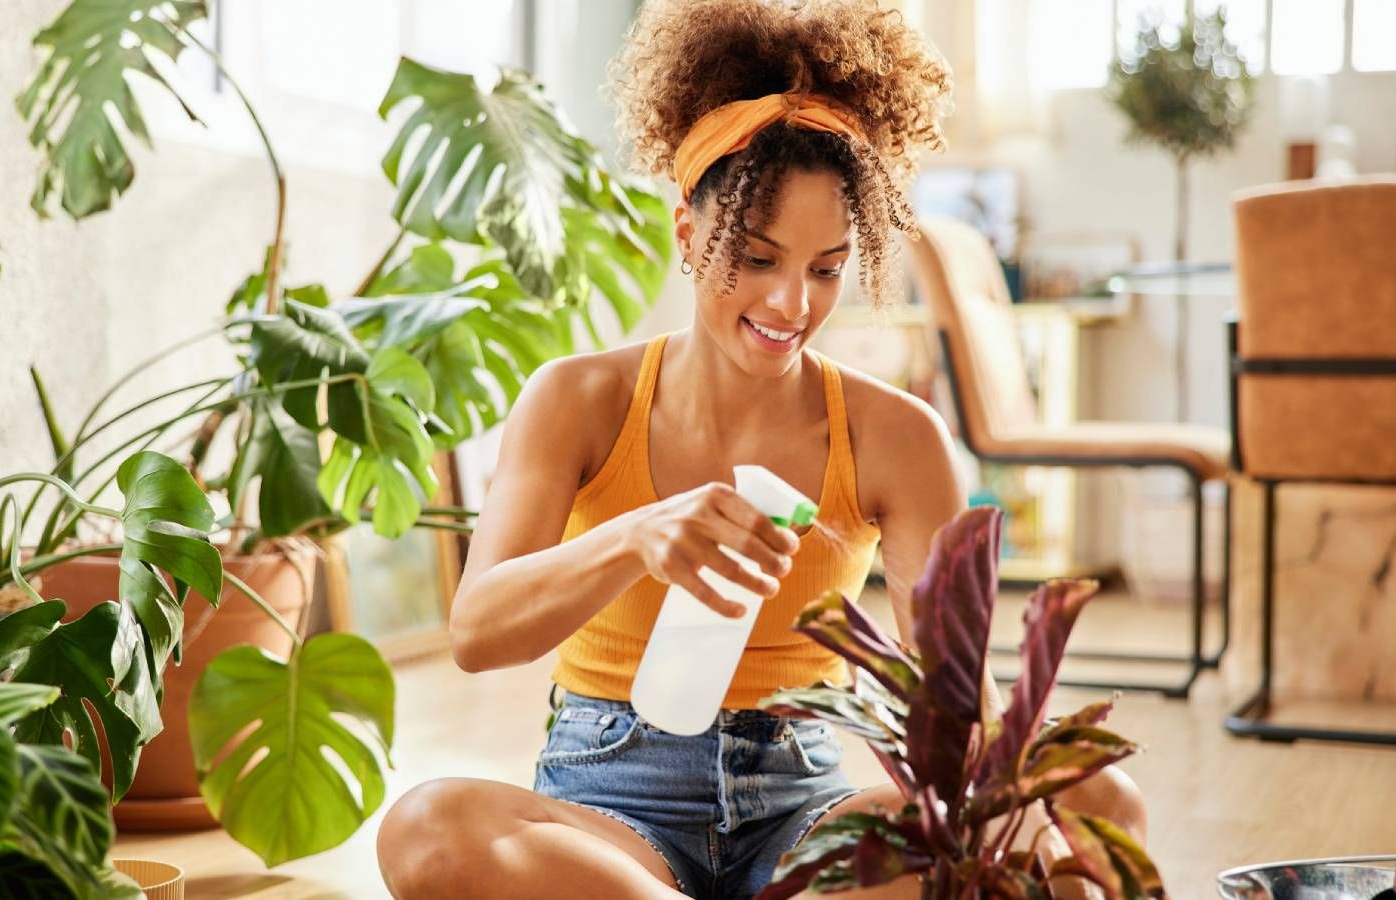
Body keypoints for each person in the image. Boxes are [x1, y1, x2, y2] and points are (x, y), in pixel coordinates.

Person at [377, 2, 1145, 897]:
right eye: (757, 256)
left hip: (804, 812)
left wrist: (1059, 796)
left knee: (1088, 806)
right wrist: (638, 538)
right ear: (689, 234)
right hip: (610, 809)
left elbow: (950, 707)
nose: (791, 304)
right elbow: (476, 633)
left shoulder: (896, 439)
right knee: (428, 830)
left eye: (825, 268)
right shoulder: (579, 401)